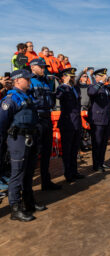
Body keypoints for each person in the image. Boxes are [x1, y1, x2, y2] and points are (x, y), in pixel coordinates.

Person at [0, 69, 46, 221]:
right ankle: (15, 208)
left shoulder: (27, 96)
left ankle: (29, 203)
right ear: (18, 80)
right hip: (17, 139)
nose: (29, 81)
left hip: (30, 138)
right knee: (17, 174)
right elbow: (1, 123)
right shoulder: (11, 99)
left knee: (29, 172)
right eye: (27, 78)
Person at [29, 58, 61, 190]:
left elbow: (51, 100)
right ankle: (28, 189)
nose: (43, 69)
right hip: (37, 119)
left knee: (47, 152)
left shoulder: (46, 82)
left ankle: (46, 182)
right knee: (34, 154)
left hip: (47, 118)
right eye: (41, 67)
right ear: (33, 67)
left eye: (44, 67)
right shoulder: (30, 81)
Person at [56, 68, 85, 182]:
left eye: (73, 77)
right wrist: (64, 84)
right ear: (65, 76)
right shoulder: (62, 88)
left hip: (76, 122)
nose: (72, 78)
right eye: (70, 76)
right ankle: (68, 173)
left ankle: (74, 171)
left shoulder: (75, 88)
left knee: (74, 149)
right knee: (67, 150)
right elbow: (57, 97)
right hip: (67, 123)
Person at [88, 68, 110, 172]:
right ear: (97, 77)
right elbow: (92, 93)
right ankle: (96, 165)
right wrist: (101, 82)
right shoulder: (93, 86)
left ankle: (101, 162)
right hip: (97, 119)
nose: (105, 77)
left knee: (103, 143)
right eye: (102, 76)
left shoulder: (105, 88)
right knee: (97, 143)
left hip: (105, 119)